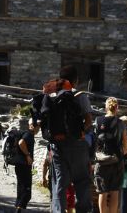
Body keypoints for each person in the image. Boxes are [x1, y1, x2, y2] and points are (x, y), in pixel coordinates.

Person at [35, 64, 94, 213]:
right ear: (75, 80)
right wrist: (80, 132)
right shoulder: (79, 96)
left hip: (57, 145)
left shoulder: (50, 96)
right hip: (77, 145)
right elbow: (88, 121)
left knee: (59, 183)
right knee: (81, 181)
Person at [94, 97, 127, 212]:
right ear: (117, 108)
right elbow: (125, 145)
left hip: (101, 160)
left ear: (105, 107)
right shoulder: (121, 124)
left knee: (102, 193)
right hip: (116, 160)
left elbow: (96, 141)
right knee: (114, 192)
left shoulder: (98, 120)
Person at [15, 118, 39, 213]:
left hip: (20, 165)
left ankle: (18, 209)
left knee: (21, 187)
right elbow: (21, 143)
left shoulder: (27, 134)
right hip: (23, 165)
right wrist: (28, 155)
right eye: (38, 127)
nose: (39, 130)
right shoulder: (28, 134)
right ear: (32, 126)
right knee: (26, 190)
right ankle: (20, 209)